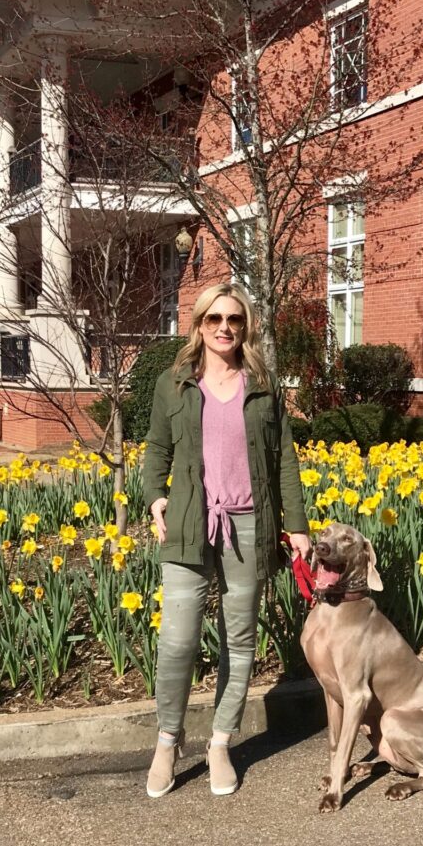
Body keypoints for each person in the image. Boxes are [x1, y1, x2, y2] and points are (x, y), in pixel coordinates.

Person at [143, 282, 310, 798]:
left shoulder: (263, 383)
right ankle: (168, 742)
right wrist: (154, 497)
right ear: (198, 325)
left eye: (234, 319)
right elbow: (156, 447)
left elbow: (284, 458)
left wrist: (297, 525)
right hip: (189, 522)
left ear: (246, 326)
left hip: (250, 525)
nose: (224, 327)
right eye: (214, 318)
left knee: (239, 640)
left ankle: (220, 743)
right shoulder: (175, 383)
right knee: (177, 641)